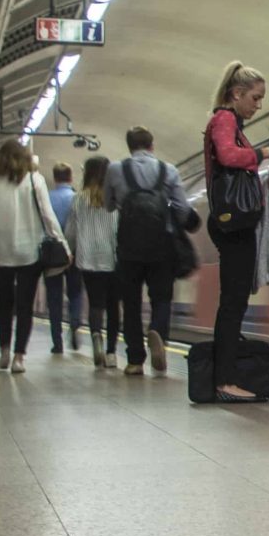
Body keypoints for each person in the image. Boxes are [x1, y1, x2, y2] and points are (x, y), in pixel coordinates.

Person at [206, 62, 269, 401]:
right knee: (233, 303)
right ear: (236, 94)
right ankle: (225, 380)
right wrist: (266, 152)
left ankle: (225, 377)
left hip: (235, 224)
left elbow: (237, 167)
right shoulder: (224, 119)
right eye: (255, 98)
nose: (259, 105)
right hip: (232, 225)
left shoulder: (232, 124)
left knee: (235, 301)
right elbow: (228, 157)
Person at [0, 138, 67, 373]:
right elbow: (47, 215)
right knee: (25, 306)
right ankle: (19, 358)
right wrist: (63, 244)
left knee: (5, 304)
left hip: (0, 252)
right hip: (30, 252)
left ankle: (4, 352)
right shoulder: (35, 181)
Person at [109, 125, 189, 378]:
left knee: (131, 302)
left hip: (128, 247)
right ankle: (158, 334)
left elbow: (108, 204)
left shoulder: (115, 169)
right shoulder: (169, 170)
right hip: (161, 246)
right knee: (161, 298)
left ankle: (134, 361)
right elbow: (183, 208)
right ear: (152, 145)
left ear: (129, 146)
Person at [70, 155, 120, 370]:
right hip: (113, 258)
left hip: (88, 259)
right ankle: (111, 352)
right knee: (113, 306)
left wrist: (69, 250)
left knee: (95, 304)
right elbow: (120, 228)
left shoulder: (79, 199)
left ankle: (96, 335)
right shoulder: (116, 197)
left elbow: (71, 231)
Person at [44, 162, 86, 356]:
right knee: (75, 292)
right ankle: (75, 322)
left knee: (54, 298)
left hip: (52, 253)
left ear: (55, 178)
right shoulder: (77, 198)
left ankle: (57, 342)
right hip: (75, 252)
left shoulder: (46, 198)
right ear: (70, 177)